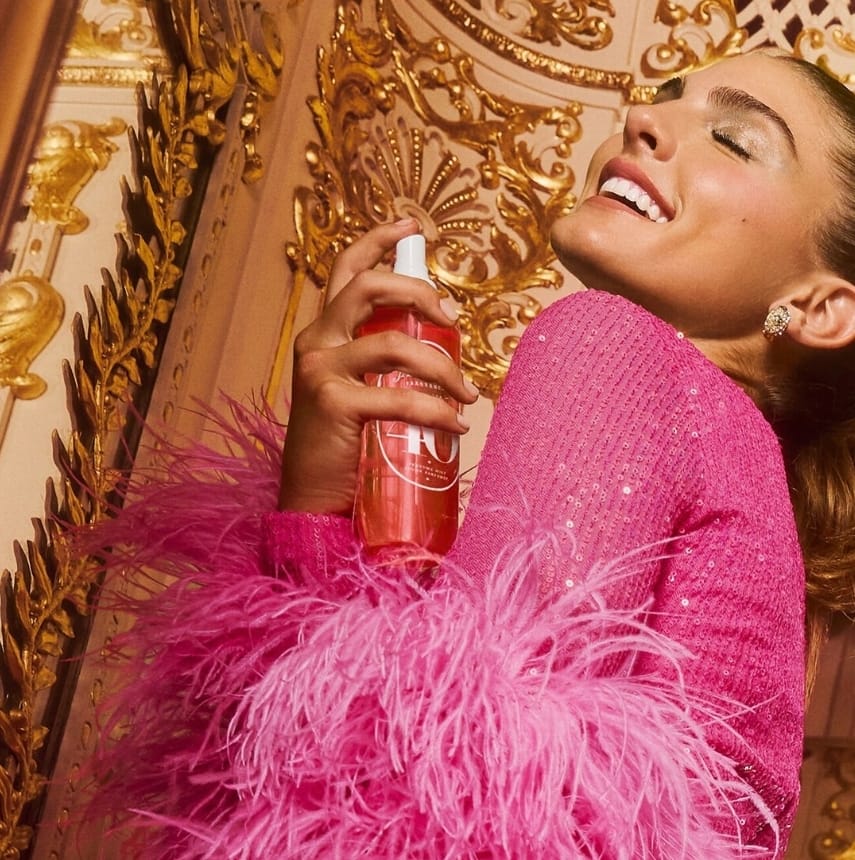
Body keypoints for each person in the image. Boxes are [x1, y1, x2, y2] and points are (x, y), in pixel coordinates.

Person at [87, 50, 855, 859]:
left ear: (815, 308)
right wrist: (320, 509)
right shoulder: (751, 477)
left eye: (733, 139)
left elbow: (447, 784)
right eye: (661, 97)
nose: (642, 120)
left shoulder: (613, 343)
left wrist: (313, 529)